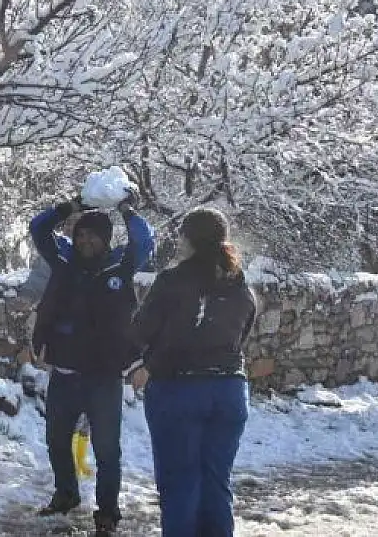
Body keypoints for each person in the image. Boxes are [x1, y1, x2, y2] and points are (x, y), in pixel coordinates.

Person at [29, 191, 155, 536]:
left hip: (104, 375)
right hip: (66, 372)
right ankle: (66, 493)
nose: (84, 240)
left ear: (105, 238)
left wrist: (126, 210)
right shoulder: (65, 261)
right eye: (79, 234)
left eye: (92, 235)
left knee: (106, 450)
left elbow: (145, 241)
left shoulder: (121, 264)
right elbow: (38, 229)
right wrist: (71, 208)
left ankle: (107, 512)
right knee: (56, 439)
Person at [129, 208, 256, 537]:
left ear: (188, 238)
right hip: (230, 390)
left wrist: (148, 364)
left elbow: (145, 330)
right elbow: (240, 335)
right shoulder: (239, 284)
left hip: (180, 390)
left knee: (180, 481)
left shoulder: (174, 280)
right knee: (217, 481)